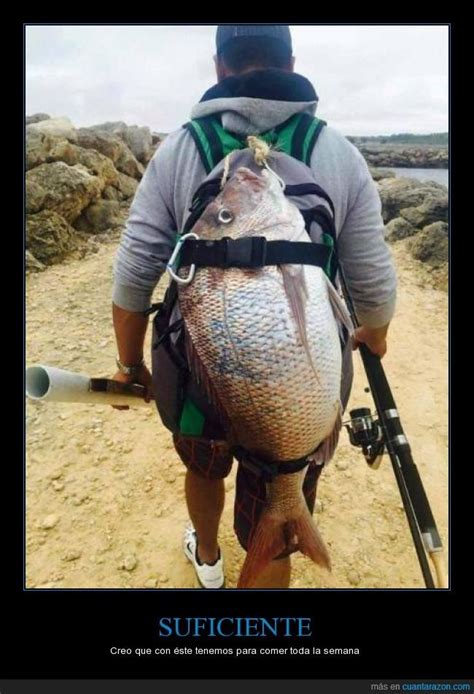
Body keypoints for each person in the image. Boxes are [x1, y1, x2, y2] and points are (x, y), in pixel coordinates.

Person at [111, 25, 397, 589]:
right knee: (278, 501)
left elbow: (133, 273)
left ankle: (209, 559)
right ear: (290, 61)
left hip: (199, 377)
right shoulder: (336, 152)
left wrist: (128, 364)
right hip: (298, 395)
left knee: (204, 464)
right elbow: (375, 287)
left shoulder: (181, 148)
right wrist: (376, 334)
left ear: (219, 68)